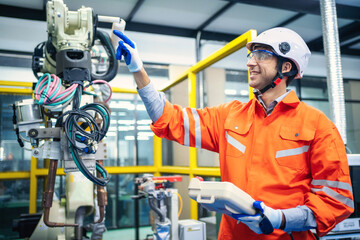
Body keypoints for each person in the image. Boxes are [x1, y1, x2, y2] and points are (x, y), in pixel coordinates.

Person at [112, 28, 354, 239]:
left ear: (286, 67)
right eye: (251, 55)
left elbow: (336, 200)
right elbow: (170, 119)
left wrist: (279, 218)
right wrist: (138, 70)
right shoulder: (231, 116)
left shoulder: (319, 126)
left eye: (262, 56)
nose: (250, 62)